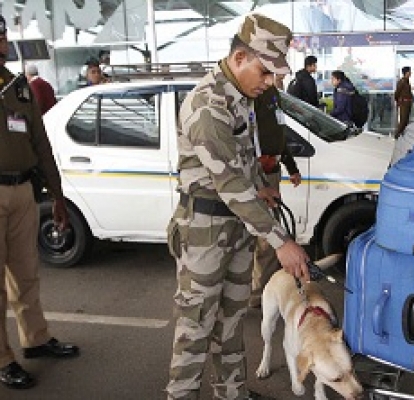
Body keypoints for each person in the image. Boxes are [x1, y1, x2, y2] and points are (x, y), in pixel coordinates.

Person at [165, 13, 310, 400]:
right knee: (196, 327)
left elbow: (242, 159)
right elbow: (228, 183)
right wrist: (281, 241)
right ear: (241, 57)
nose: (270, 82)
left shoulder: (240, 97)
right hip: (205, 234)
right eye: (265, 72)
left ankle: (232, 392)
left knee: (230, 322)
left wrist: (262, 186)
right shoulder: (207, 106)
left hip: (236, 227)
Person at [0, 14, 79, 390]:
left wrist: (56, 195)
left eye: (2, 35)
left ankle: (34, 338)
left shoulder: (16, 87)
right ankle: (2, 358)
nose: (3, 42)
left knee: (26, 273)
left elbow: (41, 144)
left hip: (22, 191)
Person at [249, 78, 302, 308]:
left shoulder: (273, 94)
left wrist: (291, 166)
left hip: (271, 172)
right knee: (263, 236)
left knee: (268, 237)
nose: (277, 76)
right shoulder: (250, 94)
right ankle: (256, 293)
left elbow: (279, 134)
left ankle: (263, 291)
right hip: (253, 174)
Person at [394, 66, 413, 138]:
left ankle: (402, 135)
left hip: (407, 103)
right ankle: (397, 135)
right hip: (403, 104)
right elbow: (397, 93)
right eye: (409, 71)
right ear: (406, 73)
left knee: (406, 121)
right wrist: (399, 102)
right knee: (403, 120)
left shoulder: (407, 81)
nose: (410, 73)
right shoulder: (402, 81)